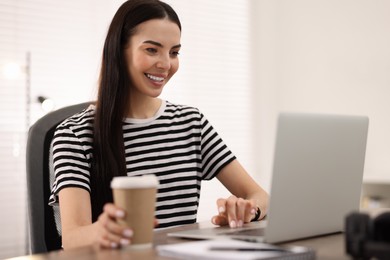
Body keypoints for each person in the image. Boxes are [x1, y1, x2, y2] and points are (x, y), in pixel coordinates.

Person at [49, 0, 269, 250]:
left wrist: (247, 210)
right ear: (119, 50)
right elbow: (72, 238)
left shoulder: (191, 123)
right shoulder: (74, 134)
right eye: (152, 50)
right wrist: (103, 230)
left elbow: (260, 196)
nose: (166, 64)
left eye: (174, 52)